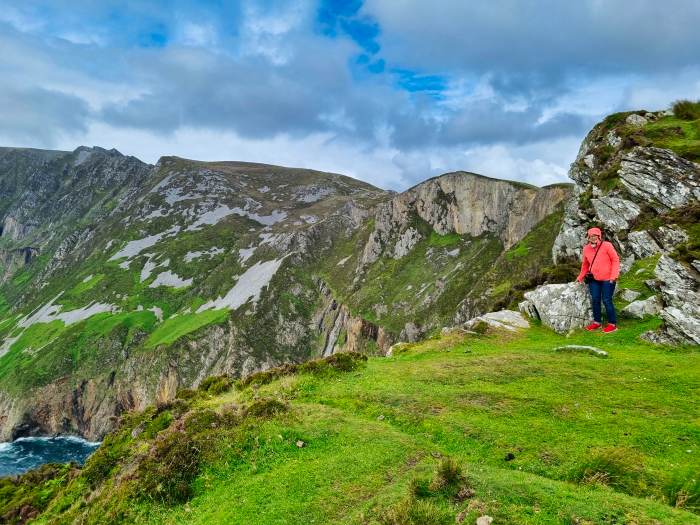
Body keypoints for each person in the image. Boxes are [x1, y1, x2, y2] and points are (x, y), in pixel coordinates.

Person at [576, 227, 620, 333]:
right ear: (588, 238)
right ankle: (597, 322)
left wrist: (613, 276)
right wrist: (580, 277)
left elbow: (615, 260)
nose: (593, 238)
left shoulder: (607, 245)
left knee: (606, 300)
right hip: (594, 279)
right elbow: (585, 265)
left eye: (595, 236)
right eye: (591, 236)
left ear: (599, 236)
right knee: (595, 299)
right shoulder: (586, 248)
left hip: (608, 279)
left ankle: (612, 324)